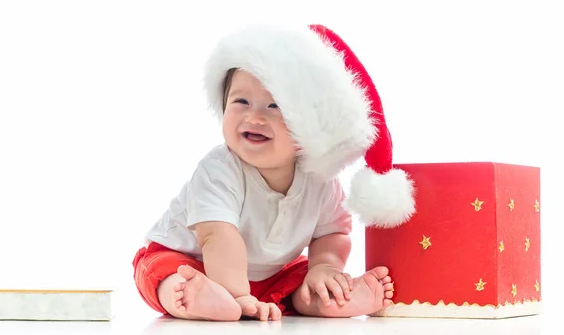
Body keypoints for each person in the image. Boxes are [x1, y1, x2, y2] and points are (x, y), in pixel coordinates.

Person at [132, 24, 416, 321]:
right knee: (161, 274)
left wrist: (325, 267)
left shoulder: (320, 180)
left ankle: (323, 298)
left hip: (268, 276)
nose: (254, 117)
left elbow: (332, 233)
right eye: (241, 101)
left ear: (310, 124)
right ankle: (195, 296)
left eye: (275, 106)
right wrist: (237, 295)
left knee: (301, 278)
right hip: (192, 261)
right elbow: (217, 237)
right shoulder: (219, 169)